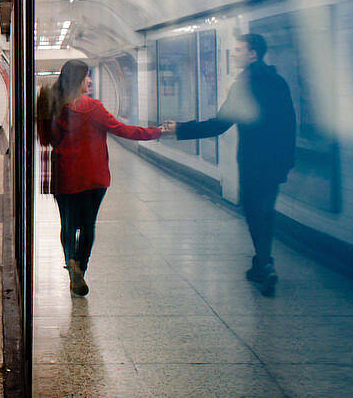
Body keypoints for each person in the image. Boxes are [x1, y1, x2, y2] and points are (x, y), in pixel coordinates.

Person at [169, 33, 296, 296]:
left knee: (254, 210)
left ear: (253, 54)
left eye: (238, 50)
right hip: (275, 161)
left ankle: (264, 264)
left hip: (253, 161)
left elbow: (220, 124)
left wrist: (180, 128)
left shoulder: (245, 85)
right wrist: (286, 161)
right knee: (266, 209)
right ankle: (263, 261)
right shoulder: (278, 82)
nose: (234, 54)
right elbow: (289, 124)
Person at [38, 59, 165, 296]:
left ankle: (70, 262)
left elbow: (45, 139)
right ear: (78, 79)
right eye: (87, 76)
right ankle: (80, 267)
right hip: (92, 177)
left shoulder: (52, 106)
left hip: (63, 175)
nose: (89, 81)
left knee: (67, 224)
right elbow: (123, 130)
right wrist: (157, 132)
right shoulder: (92, 107)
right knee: (87, 225)